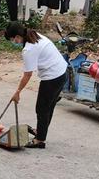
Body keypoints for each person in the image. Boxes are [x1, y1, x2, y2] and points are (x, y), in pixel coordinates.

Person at [5, 21, 68, 149]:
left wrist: (17, 92)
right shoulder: (34, 35)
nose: (13, 42)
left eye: (12, 39)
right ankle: (41, 132)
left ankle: (40, 140)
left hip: (53, 77)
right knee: (48, 107)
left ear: (17, 36)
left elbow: (27, 75)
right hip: (62, 73)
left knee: (42, 109)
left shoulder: (28, 49)